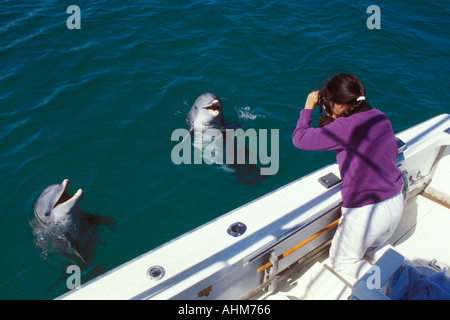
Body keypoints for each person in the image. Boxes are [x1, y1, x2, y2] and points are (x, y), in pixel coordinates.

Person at [292, 73, 404, 279]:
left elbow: (299, 139)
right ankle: (409, 275)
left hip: (368, 213)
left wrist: (308, 106)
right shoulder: (379, 115)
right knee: (375, 246)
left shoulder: (345, 127)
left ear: (339, 104)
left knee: (342, 264)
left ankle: (402, 288)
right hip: (395, 202)